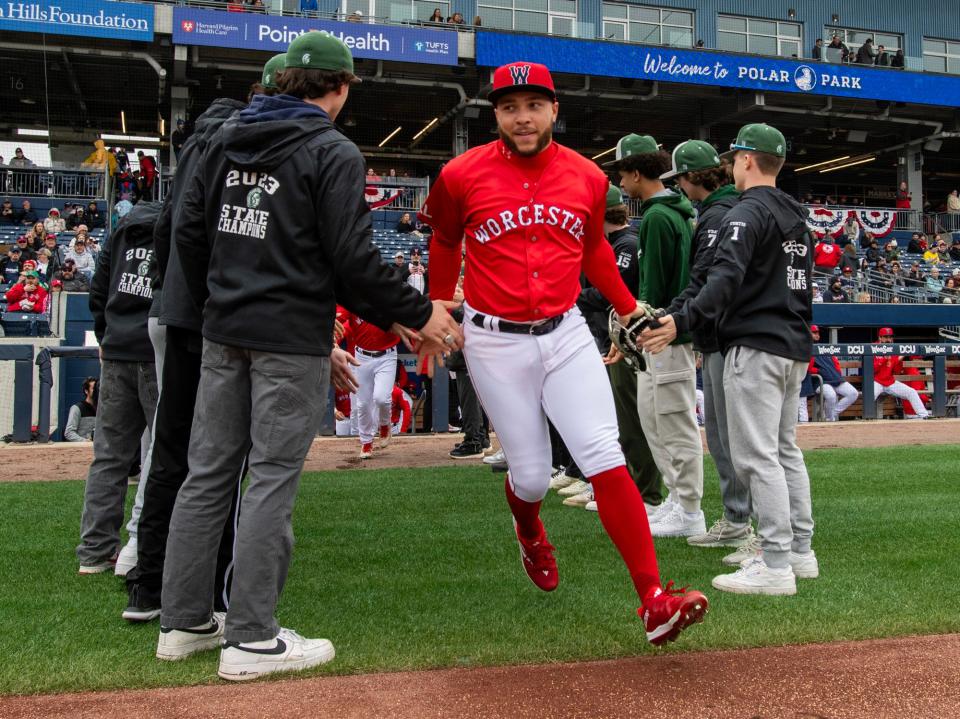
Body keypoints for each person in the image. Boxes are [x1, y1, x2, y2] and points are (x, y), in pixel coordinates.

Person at [160, 33, 461, 681]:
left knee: (207, 471)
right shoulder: (330, 149)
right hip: (288, 335)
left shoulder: (221, 139)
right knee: (270, 476)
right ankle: (252, 637)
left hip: (224, 326)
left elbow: (188, 232)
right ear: (342, 86)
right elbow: (353, 261)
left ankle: (183, 622)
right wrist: (417, 313)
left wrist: (223, 296)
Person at [419, 61, 708, 644]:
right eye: (508, 107)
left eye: (533, 105)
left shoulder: (585, 176)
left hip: (565, 330)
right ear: (495, 114)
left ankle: (653, 599)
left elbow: (595, 250)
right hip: (495, 339)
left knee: (604, 453)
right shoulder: (459, 173)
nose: (521, 117)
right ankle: (530, 533)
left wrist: (627, 306)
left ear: (554, 109)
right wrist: (433, 303)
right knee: (528, 476)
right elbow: (446, 238)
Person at [640, 122, 817, 596]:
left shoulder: (747, 210)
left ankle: (775, 563)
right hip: (792, 341)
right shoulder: (795, 212)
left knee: (757, 455)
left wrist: (681, 321)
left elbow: (723, 278)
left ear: (745, 160)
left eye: (735, 156)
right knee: (783, 451)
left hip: (757, 343)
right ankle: (800, 552)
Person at [605, 133, 705, 538]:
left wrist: (636, 324)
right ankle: (677, 501)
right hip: (661, 334)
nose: (621, 182)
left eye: (622, 173)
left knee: (671, 423)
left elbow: (655, 289)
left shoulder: (662, 216)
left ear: (634, 172)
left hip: (665, 335)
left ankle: (690, 509)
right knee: (655, 420)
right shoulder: (666, 212)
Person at [659, 140, 751, 549]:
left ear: (693, 177)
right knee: (728, 436)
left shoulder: (718, 215)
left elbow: (705, 282)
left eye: (679, 178)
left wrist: (675, 318)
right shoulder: (726, 209)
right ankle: (740, 519)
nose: (678, 186)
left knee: (730, 438)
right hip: (725, 334)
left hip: (725, 336)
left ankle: (741, 521)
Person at [75, 202, 161, 575]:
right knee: (163, 454)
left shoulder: (121, 229)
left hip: (117, 349)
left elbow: (98, 290)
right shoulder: (175, 224)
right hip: (157, 352)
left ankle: (94, 553)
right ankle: (147, 546)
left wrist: (105, 336)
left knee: (108, 458)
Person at [575, 184, 663, 509]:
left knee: (632, 421)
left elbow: (615, 295)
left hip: (632, 339)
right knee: (618, 420)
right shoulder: (614, 243)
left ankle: (647, 495)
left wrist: (573, 298)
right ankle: (629, 490)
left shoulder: (626, 244)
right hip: (616, 337)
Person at [340, 310, 402, 458]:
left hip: (387, 355)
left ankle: (385, 424)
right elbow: (338, 316)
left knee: (381, 398)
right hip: (361, 356)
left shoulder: (387, 295)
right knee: (363, 404)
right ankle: (366, 442)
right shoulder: (353, 297)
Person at [873, 328, 930, 418]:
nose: (889, 340)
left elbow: (896, 371)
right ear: (880, 338)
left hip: (889, 382)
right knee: (869, 396)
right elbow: (872, 369)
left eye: (890, 337)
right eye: (886, 337)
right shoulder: (873, 347)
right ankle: (866, 417)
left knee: (911, 392)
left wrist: (899, 359)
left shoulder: (894, 349)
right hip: (876, 381)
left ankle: (924, 415)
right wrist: (884, 359)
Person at [808, 326, 858, 420]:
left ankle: (830, 415)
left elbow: (836, 363)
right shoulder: (805, 348)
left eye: (817, 333)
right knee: (831, 396)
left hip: (835, 379)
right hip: (820, 381)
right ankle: (829, 418)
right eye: (814, 333)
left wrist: (837, 372)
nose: (817, 335)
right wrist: (819, 371)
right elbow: (807, 368)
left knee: (853, 393)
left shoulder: (825, 347)